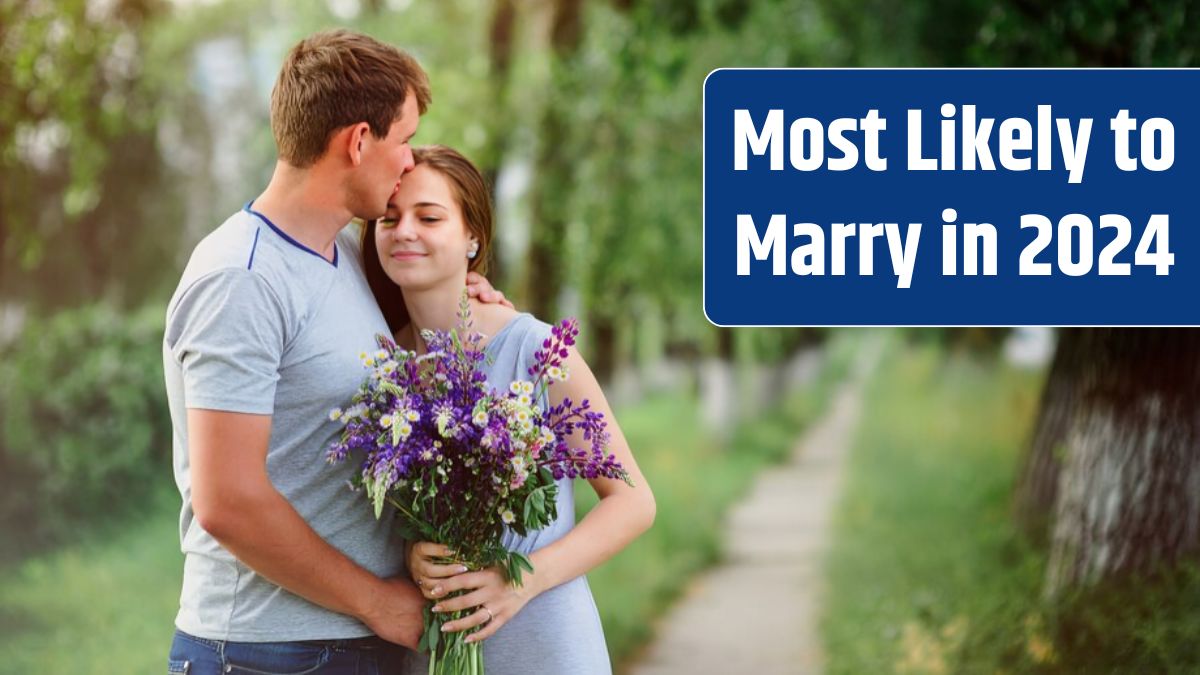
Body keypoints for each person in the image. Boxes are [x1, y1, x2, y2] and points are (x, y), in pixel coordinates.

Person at [162, 30, 508, 674]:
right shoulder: (242, 278)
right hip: (269, 653)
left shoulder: (344, 255)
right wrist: (378, 604)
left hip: (352, 645)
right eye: (403, 140)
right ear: (357, 141)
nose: (409, 161)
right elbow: (226, 501)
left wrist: (465, 288)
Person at [362, 144, 657, 674]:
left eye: (429, 216)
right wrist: (413, 556)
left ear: (472, 237)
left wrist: (519, 578)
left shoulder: (535, 350)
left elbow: (633, 503)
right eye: (389, 217)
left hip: (545, 644)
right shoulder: (383, 369)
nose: (404, 230)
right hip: (434, 649)